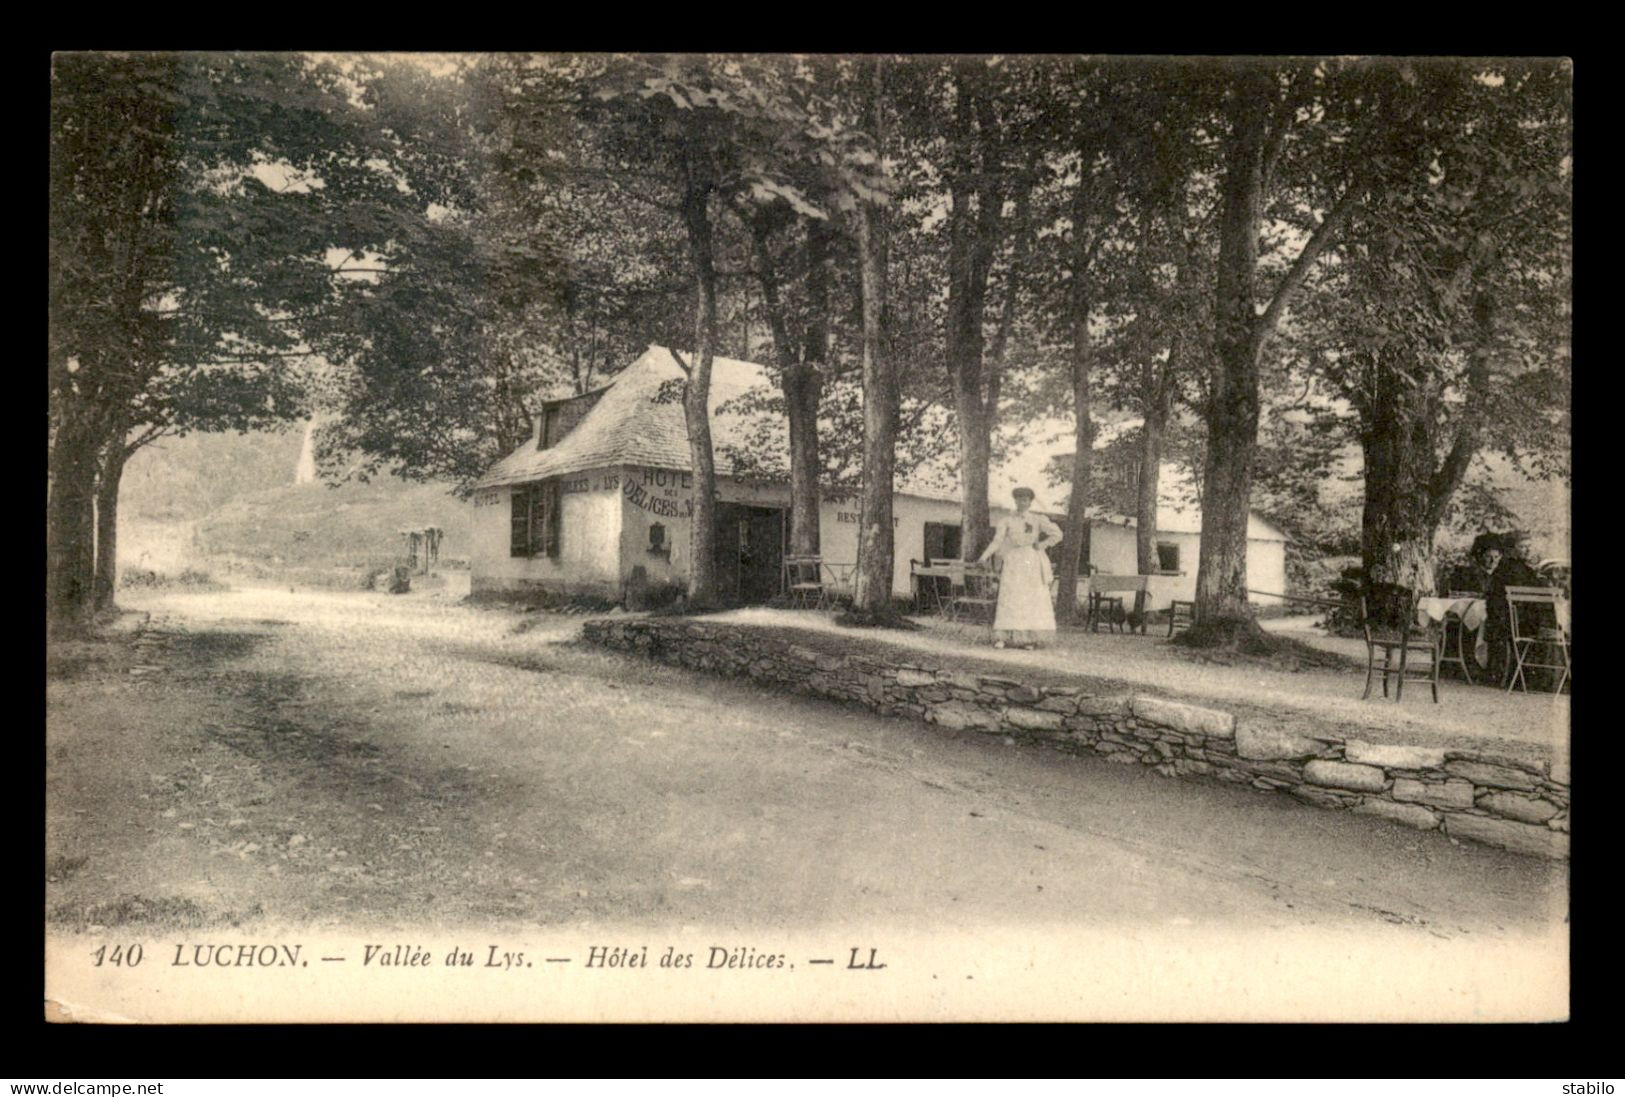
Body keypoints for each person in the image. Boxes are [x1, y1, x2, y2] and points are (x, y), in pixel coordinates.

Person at [977, 487, 1063, 650]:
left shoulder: (1038, 519)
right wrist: (983, 557)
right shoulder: (1007, 520)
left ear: (1030, 502)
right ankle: (1003, 637)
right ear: (1015, 500)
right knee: (1010, 597)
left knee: (1029, 599)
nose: (1022, 502)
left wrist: (1043, 544)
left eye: (1025, 499)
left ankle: (1027, 639)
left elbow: (1057, 534)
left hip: (1032, 560)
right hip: (1013, 560)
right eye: (1019, 499)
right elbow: (997, 541)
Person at [1481, 532, 1542, 686]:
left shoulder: (1507, 569)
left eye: (1529, 547)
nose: (1527, 550)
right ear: (1511, 549)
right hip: (1517, 625)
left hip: (1511, 624)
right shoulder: (1515, 570)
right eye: (1523, 547)